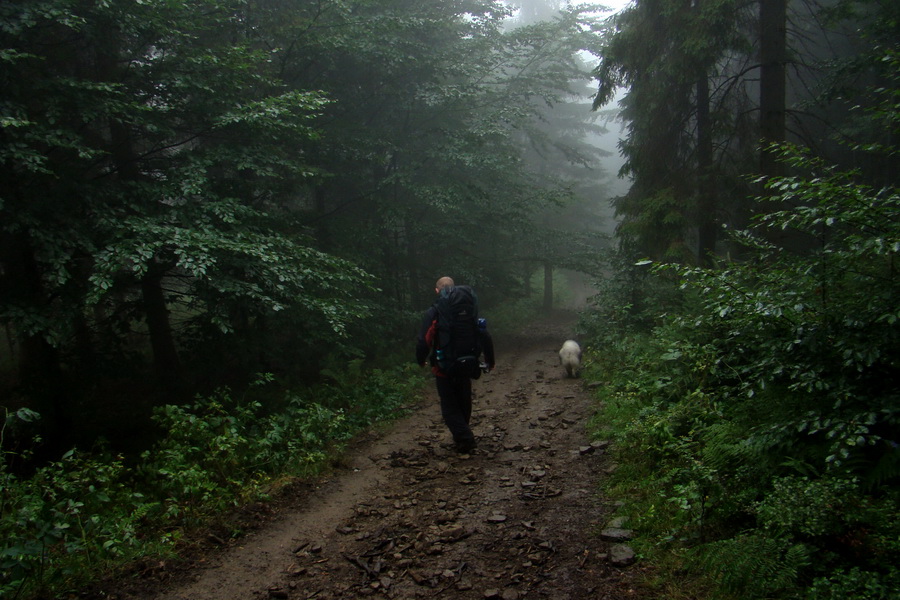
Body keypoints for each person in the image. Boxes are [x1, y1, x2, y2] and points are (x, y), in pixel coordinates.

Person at [416, 276, 495, 453]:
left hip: (444, 367)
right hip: (468, 363)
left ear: (437, 290)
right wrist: (490, 360)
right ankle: (462, 436)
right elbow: (483, 334)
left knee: (449, 405)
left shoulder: (436, 311)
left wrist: (421, 359)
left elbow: (424, 340)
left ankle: (465, 438)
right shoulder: (469, 308)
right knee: (464, 400)